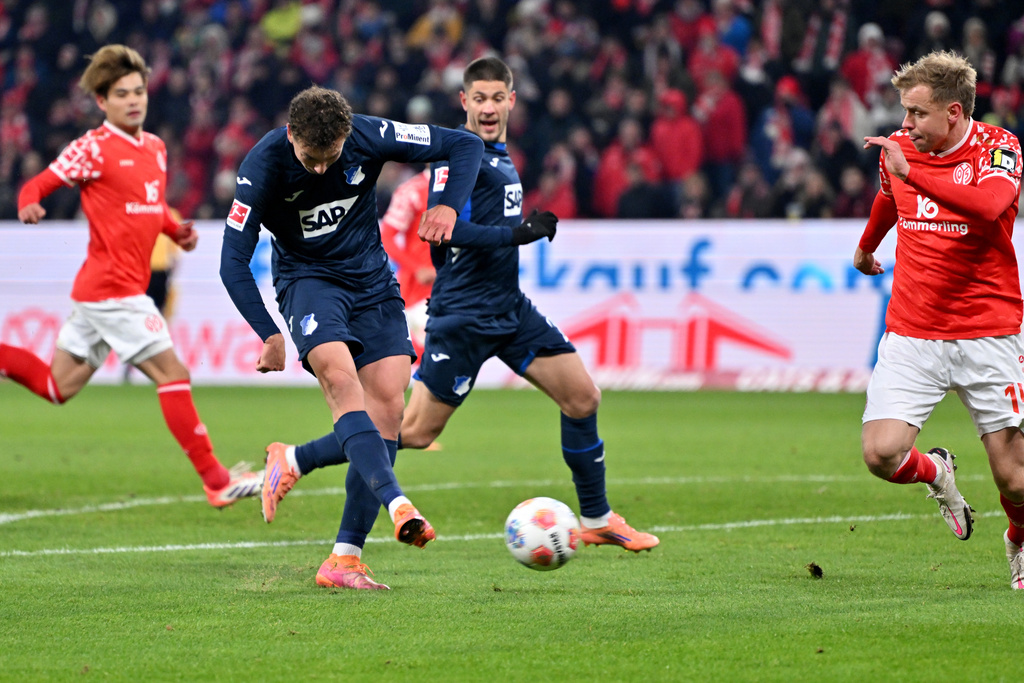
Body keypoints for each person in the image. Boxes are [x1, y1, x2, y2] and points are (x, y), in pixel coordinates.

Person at [219, 85, 484, 590]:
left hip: (371, 282)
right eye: (310, 159)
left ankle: (343, 559)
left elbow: (464, 144)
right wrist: (268, 332)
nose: (321, 169)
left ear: (347, 135)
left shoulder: (369, 133)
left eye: (331, 157)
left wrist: (449, 206)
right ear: (291, 135)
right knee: (343, 385)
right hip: (308, 284)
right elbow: (232, 260)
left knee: (388, 406)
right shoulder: (262, 167)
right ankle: (397, 503)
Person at [399, 56, 659, 554]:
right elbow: (442, 228)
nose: (489, 107)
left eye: (498, 98)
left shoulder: (500, 155)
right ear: (464, 101)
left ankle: (597, 518)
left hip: (509, 308)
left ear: (511, 101)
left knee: (583, 398)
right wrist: (519, 234)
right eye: (480, 98)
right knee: (413, 432)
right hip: (465, 314)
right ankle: (300, 459)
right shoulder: (458, 155)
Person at [1, 45, 263, 507]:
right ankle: (216, 480)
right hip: (113, 290)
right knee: (173, 372)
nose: (133, 100)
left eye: (138, 91)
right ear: (102, 101)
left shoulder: (156, 148)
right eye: (121, 94)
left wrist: (174, 230)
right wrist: (29, 203)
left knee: (57, 388)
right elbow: (38, 183)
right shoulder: (92, 148)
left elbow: (149, 205)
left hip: (99, 293)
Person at [855, 51, 1024, 590]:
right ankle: (939, 473)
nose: (905, 124)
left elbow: (989, 207)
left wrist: (915, 174)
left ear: (954, 112)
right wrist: (866, 246)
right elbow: (889, 197)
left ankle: (1019, 537)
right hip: (913, 329)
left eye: (917, 113)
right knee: (881, 454)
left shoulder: (1000, 147)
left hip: (987, 329)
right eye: (904, 112)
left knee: (1015, 480)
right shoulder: (899, 150)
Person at [378, 167, 434, 360]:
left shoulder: (468, 185)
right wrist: (418, 269)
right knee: (429, 357)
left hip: (458, 284)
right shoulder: (413, 191)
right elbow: (387, 237)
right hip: (422, 291)